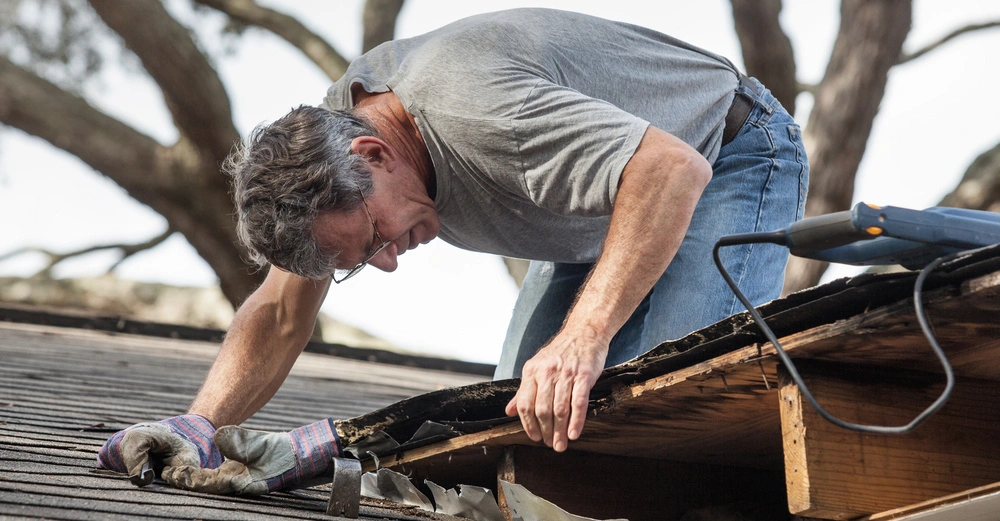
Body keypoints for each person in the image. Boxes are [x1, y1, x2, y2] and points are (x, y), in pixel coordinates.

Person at [97, 8, 807, 494]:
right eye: (360, 261)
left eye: (374, 238)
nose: (388, 260)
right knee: (523, 439)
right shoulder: (326, 151)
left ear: (374, 153)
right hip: (597, 211)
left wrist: (584, 338)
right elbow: (282, 313)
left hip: (728, 154)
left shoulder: (477, 111)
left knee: (672, 421)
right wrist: (199, 425)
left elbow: (668, 171)